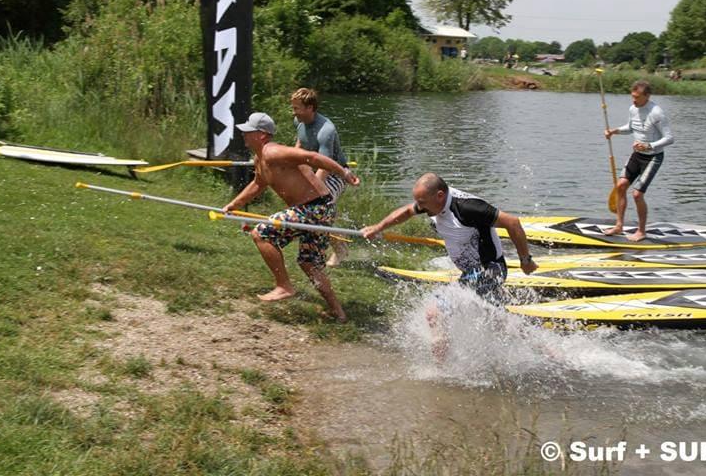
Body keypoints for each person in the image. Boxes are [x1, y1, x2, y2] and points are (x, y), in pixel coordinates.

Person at [361, 173, 537, 357]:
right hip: (470, 273)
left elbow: (513, 223)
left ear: (439, 195)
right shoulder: (433, 203)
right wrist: (377, 228)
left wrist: (525, 260)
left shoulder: (468, 208)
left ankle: (441, 370)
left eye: (422, 202)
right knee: (501, 323)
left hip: (490, 270)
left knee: (433, 313)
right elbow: (406, 211)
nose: (419, 208)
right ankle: (551, 352)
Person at [222, 112, 360, 322]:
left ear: (261, 135)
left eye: (248, 131)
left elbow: (312, 157)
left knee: (261, 233)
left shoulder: (274, 151)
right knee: (309, 263)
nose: (243, 135)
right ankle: (338, 312)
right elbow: (258, 184)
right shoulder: (261, 159)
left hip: (316, 208)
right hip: (317, 210)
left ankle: (284, 286)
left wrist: (344, 173)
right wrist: (234, 205)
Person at [603, 80, 674, 241]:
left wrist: (649, 145)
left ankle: (641, 231)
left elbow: (670, 138)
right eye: (632, 97)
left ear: (647, 96)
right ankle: (619, 226)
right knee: (621, 186)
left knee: (637, 194)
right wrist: (614, 131)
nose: (633, 101)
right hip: (637, 155)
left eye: (637, 97)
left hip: (653, 157)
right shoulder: (633, 109)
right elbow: (631, 127)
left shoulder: (657, 113)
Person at [291, 88, 351, 266]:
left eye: (297, 108)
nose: (294, 113)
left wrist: (311, 190)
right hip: (314, 170)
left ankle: (340, 249)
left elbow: (325, 166)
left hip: (336, 173)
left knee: (319, 207)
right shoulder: (299, 121)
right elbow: (300, 143)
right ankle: (334, 236)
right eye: (293, 108)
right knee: (307, 206)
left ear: (310, 108)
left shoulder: (326, 130)